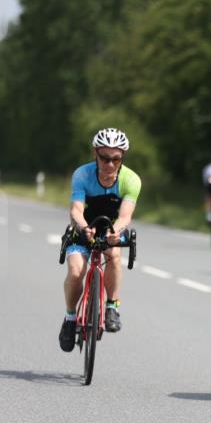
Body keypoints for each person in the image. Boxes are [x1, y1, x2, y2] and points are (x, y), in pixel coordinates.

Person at [58, 127, 141, 352]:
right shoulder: (82, 175)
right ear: (95, 153)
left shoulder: (131, 180)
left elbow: (125, 216)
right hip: (85, 226)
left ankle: (112, 306)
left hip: (112, 227)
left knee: (114, 253)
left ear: (122, 157)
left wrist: (115, 231)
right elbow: (76, 210)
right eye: (104, 158)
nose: (110, 165)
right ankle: (70, 317)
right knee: (76, 272)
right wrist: (85, 228)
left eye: (116, 159)